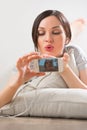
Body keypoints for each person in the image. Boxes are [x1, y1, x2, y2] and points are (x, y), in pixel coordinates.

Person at [0, 10, 87, 108]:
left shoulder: (74, 53)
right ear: (35, 39)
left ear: (66, 37)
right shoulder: (25, 64)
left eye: (56, 32)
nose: (48, 39)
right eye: (41, 33)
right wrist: (17, 83)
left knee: (67, 43)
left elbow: (85, 95)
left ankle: (75, 27)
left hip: (66, 44)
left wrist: (64, 69)